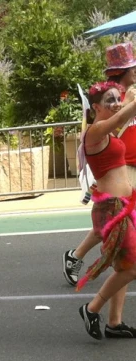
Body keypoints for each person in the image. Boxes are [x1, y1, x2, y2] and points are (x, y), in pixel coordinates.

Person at [64, 43, 136, 286]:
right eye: (132, 68)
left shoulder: (121, 95)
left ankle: (80, 258)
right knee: (111, 227)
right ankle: (79, 258)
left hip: (126, 170)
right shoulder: (115, 100)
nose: (135, 71)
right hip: (122, 169)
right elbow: (114, 122)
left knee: (116, 229)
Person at [77, 81, 136, 339]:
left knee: (123, 266)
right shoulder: (95, 131)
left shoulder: (109, 133)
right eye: (109, 100)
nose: (116, 104)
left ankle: (114, 322)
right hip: (111, 211)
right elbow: (124, 115)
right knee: (132, 268)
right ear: (96, 107)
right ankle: (92, 308)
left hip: (123, 206)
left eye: (118, 98)